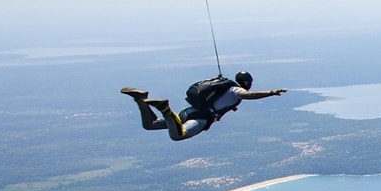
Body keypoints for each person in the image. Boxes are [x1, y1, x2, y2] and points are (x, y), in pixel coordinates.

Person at [120, 72, 286, 141]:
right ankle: (165, 108)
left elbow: (221, 108)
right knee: (178, 135)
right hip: (199, 118)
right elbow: (249, 95)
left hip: (188, 112)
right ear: (247, 83)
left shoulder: (223, 85)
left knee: (150, 125)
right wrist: (271, 92)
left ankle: (140, 100)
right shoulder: (235, 90)